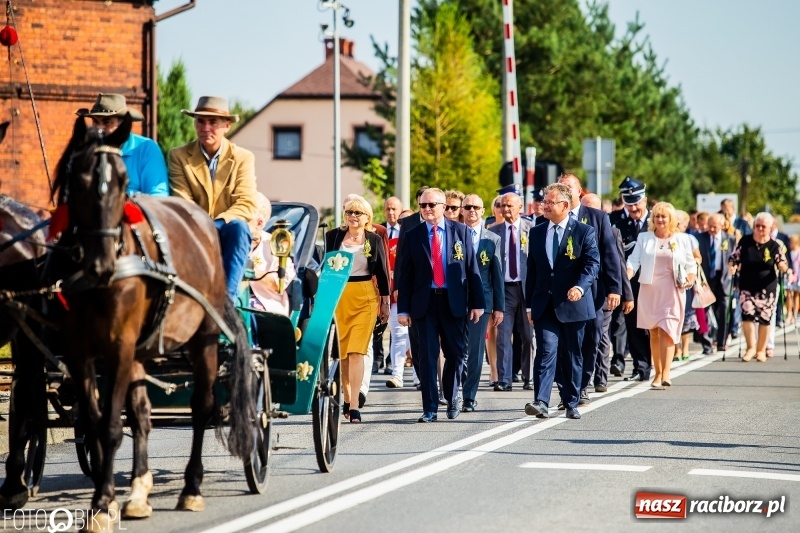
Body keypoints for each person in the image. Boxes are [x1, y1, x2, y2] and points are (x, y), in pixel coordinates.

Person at [395, 188, 485, 422]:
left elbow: (472, 269)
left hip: (453, 301)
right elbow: (404, 274)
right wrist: (402, 308)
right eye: (422, 205)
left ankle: (452, 395)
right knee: (426, 355)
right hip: (424, 303)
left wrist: (477, 303)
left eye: (431, 205)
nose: (426, 209)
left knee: (455, 353)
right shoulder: (412, 234)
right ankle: (430, 408)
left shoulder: (461, 231)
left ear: (443, 207)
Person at [168, 96, 257, 301]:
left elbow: (247, 203)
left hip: (228, 232)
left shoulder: (243, 157)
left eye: (213, 122)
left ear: (227, 125)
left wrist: (215, 224)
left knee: (240, 227)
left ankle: (226, 302)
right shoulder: (178, 156)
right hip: (193, 232)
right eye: (200, 121)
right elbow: (182, 201)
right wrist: (205, 227)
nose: (205, 127)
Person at [524, 183, 600, 420]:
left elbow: (592, 264)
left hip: (573, 304)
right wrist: (529, 305)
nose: (544, 206)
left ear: (565, 205)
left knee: (571, 354)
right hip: (544, 304)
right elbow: (533, 270)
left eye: (549, 202)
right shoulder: (537, 231)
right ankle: (541, 401)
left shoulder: (583, 231)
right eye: (544, 201)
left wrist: (580, 287)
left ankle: (571, 401)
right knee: (546, 350)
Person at [553, 175, 621, 404]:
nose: (565, 191)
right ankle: (567, 390)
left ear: (579, 191)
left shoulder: (597, 217)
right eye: (561, 187)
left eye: (569, 187)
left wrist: (615, 288)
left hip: (593, 291)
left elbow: (610, 254)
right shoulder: (551, 218)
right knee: (564, 342)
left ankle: (582, 383)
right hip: (561, 291)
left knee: (592, 337)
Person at [325, 195, 390, 422]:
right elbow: (325, 268)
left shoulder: (373, 239)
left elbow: (382, 273)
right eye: (349, 212)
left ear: (367, 218)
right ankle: (346, 397)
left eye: (357, 213)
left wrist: (385, 302)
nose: (353, 216)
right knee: (342, 353)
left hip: (365, 296)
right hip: (339, 296)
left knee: (357, 351)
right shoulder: (333, 236)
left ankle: (354, 406)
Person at [627, 202, 697, 389]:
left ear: (671, 219)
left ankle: (666, 373)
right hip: (650, 290)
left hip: (672, 290)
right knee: (654, 332)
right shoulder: (645, 237)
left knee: (668, 331)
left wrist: (690, 278)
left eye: (663, 216)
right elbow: (633, 260)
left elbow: (691, 264)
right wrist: (626, 276)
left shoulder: (682, 239)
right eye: (657, 216)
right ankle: (657, 373)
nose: (660, 219)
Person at [582, 192, 634, 392]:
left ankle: (601, 378)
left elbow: (618, 264)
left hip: (603, 293)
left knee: (601, 335)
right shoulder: (575, 230)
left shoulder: (612, 232)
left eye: (593, 208)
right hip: (581, 293)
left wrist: (624, 293)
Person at [460, 194, 504, 412]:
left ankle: (469, 396)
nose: (472, 211)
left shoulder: (492, 239)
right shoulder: (454, 235)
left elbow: (497, 275)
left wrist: (499, 307)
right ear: (462, 209)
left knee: (476, 351)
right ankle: (452, 391)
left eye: (476, 207)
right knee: (456, 350)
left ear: (483, 209)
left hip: (483, 302)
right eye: (467, 207)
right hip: (456, 300)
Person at [77, 93, 168, 197]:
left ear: (123, 125)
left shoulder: (146, 149)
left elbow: (158, 197)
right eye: (95, 122)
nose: (99, 128)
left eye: (107, 122)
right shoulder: (85, 152)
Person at [728, 212, 788, 362]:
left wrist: (782, 266)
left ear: (769, 228)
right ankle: (750, 348)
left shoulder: (774, 245)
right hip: (747, 285)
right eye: (757, 226)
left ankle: (761, 350)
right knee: (747, 315)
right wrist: (732, 266)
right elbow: (734, 257)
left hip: (767, 287)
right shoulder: (745, 241)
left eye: (763, 227)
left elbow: (783, 263)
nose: (760, 229)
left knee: (765, 318)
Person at [490, 191, 533, 391]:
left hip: (526, 289)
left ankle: (529, 377)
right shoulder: (493, 231)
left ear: (520, 207)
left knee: (527, 335)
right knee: (503, 336)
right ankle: (504, 379)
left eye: (510, 205)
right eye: (502, 205)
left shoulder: (531, 229)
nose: (505, 209)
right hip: (504, 290)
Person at [609, 177, 651, 382]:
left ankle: (659, 366)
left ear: (645, 200)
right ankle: (641, 366)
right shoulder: (614, 220)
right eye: (629, 203)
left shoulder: (656, 220)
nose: (634, 207)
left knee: (654, 327)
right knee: (633, 325)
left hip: (653, 281)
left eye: (637, 202)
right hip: (627, 281)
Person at [248, 193, 296, 316]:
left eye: (244, 216)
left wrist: (247, 272)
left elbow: (278, 284)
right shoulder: (230, 241)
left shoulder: (276, 244)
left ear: (259, 223)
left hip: (266, 305)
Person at [698, 214, 736, 352]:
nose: (712, 229)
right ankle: (707, 343)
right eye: (710, 226)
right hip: (706, 279)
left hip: (723, 278)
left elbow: (734, 257)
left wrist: (734, 269)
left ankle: (721, 341)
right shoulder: (700, 238)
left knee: (724, 310)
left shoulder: (730, 239)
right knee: (704, 311)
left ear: (722, 225)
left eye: (715, 226)